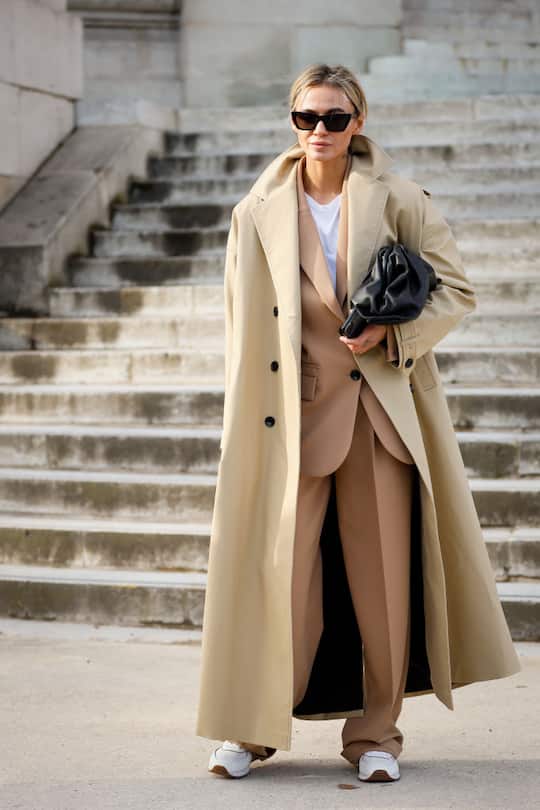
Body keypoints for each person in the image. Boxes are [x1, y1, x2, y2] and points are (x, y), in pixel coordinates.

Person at [196, 63, 521, 783]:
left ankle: (375, 736)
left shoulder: (398, 199)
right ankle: (251, 731)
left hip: (378, 418)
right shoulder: (257, 210)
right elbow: (241, 329)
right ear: (291, 121)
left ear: (358, 122)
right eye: (305, 118)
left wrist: (393, 336)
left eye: (334, 119)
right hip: (292, 421)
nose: (319, 132)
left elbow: (457, 290)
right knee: (279, 582)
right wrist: (237, 430)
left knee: (381, 592)